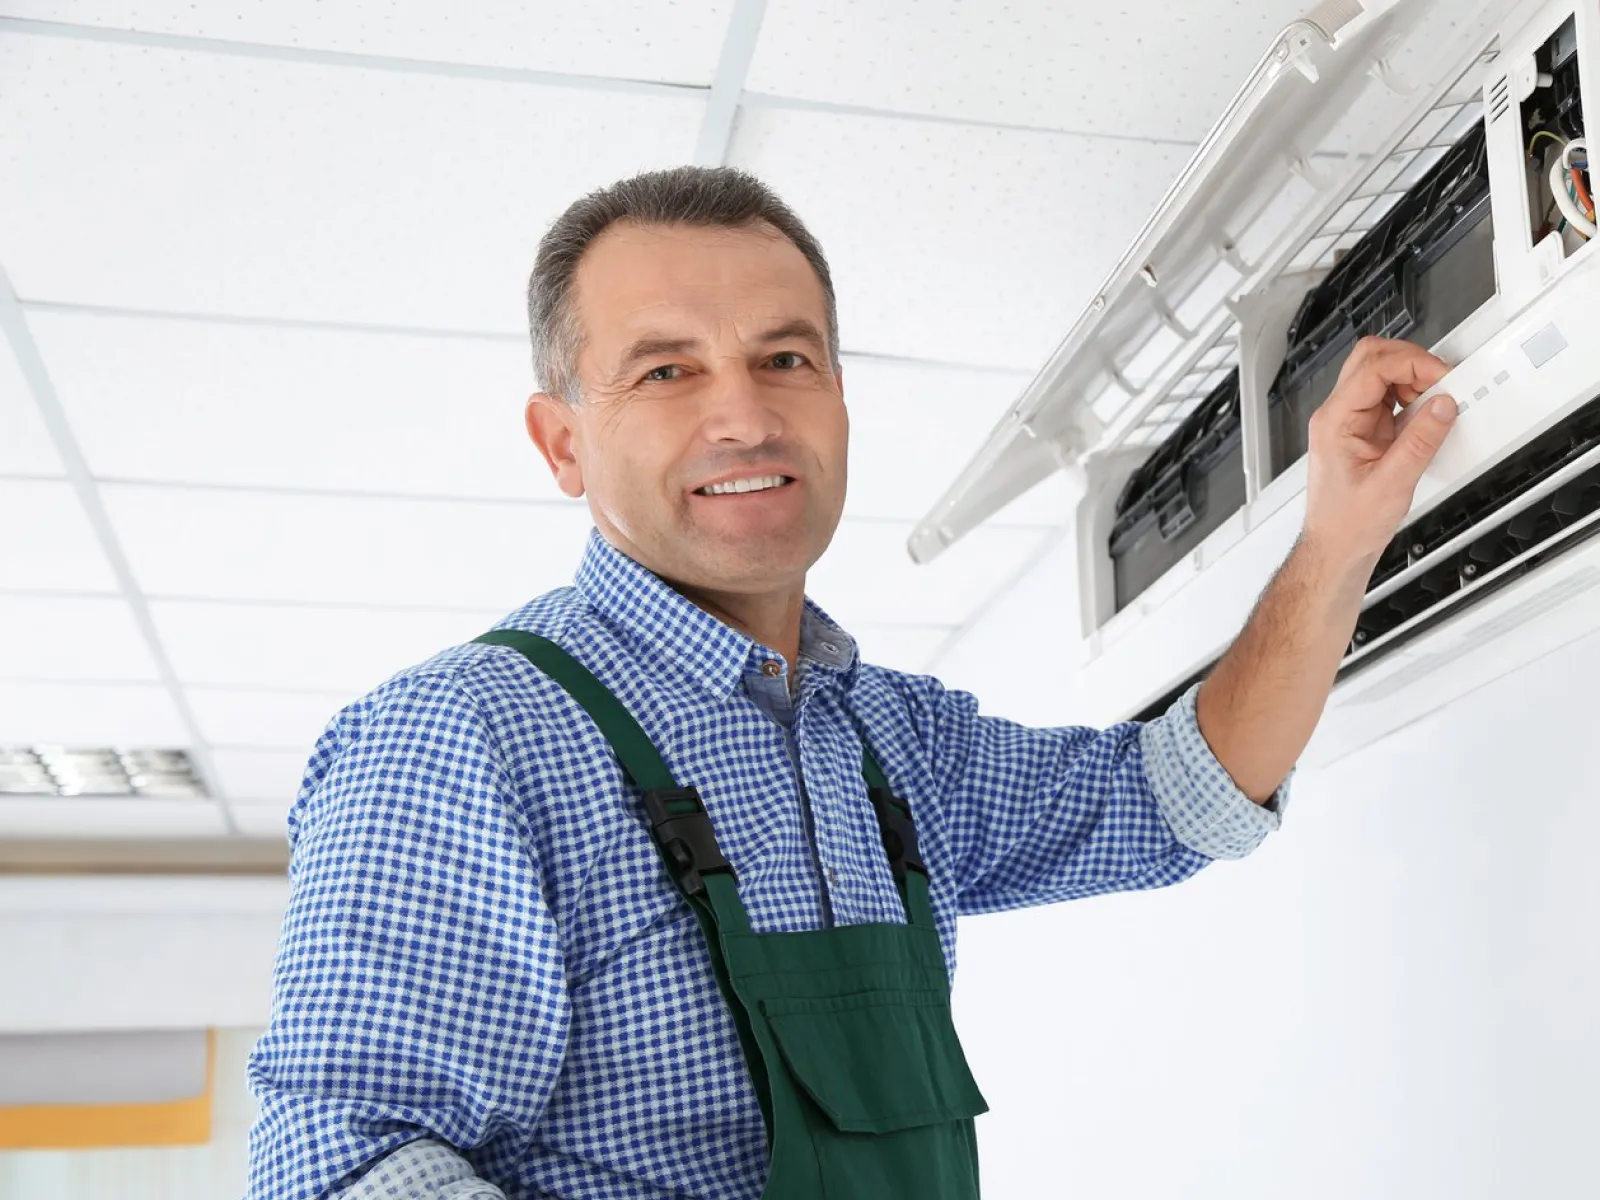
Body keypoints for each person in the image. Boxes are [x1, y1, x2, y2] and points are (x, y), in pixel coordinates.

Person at [246, 165, 1458, 1200]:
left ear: (836, 399)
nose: (743, 415)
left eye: (785, 358)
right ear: (563, 441)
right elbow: (343, 1165)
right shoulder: (460, 742)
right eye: (664, 372)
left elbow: (1179, 797)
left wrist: (1339, 537)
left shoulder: (887, 741)